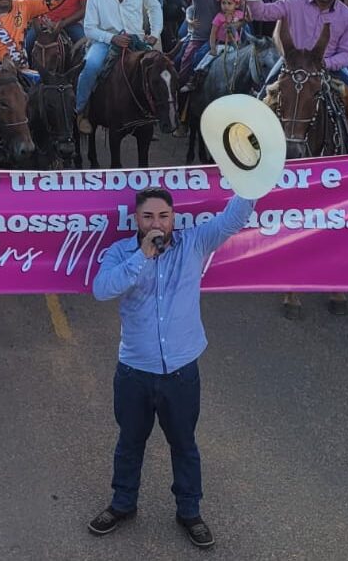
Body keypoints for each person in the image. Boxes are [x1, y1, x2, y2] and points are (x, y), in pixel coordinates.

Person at [87, 187, 258, 550]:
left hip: (181, 372)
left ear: (173, 218)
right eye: (148, 216)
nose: (157, 224)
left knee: (183, 444)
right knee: (130, 442)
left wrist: (252, 182)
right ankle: (122, 504)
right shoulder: (121, 253)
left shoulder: (194, 243)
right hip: (134, 371)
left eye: (163, 216)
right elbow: (102, 289)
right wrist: (142, 256)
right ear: (136, 219)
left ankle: (189, 512)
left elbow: (233, 219)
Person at [247, 0, 348, 150]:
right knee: (262, 99)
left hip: (328, 68)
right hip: (291, 64)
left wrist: (326, 63)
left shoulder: (347, 16)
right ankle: (252, 149)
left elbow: (347, 54)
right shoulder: (293, 2)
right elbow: (260, 12)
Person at [76, 0, 158, 133]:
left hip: (136, 39)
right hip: (105, 41)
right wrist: (112, 37)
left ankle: (157, 112)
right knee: (90, 66)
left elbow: (154, 7)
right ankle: (81, 111)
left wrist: (155, 33)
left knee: (159, 68)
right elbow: (89, 28)